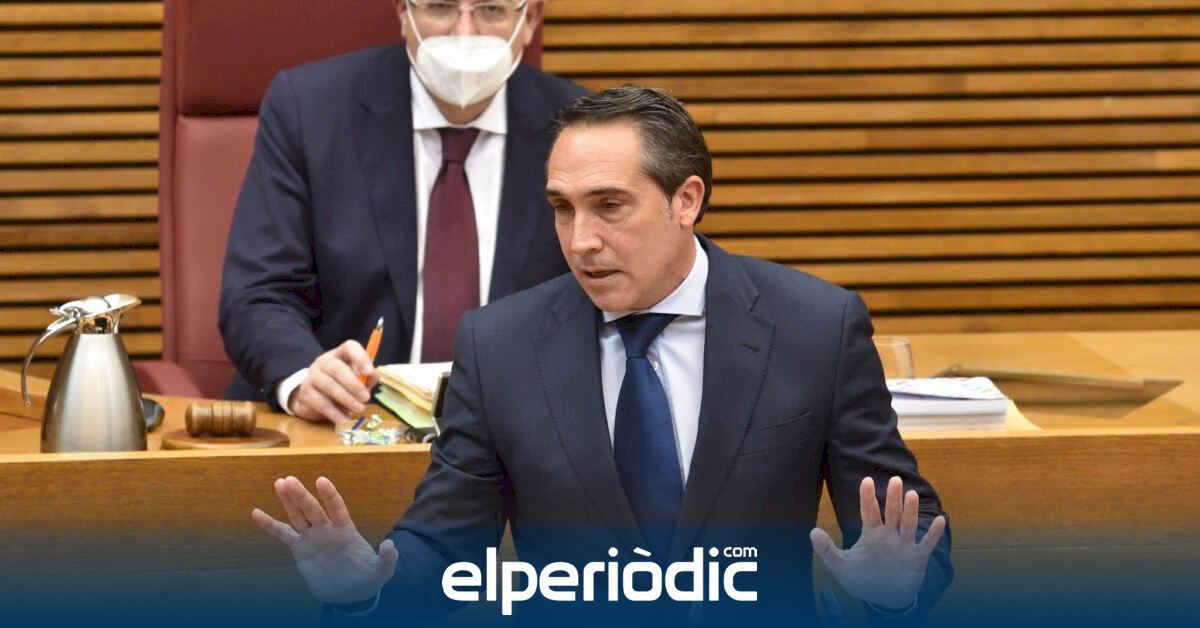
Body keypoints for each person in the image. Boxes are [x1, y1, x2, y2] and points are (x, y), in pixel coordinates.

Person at [252, 86, 953, 624]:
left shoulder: (815, 328)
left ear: (687, 199)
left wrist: (896, 592)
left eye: (609, 205)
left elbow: (912, 529)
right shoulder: (499, 346)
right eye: (563, 208)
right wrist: (366, 591)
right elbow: (443, 548)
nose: (580, 240)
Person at [219, 0, 587, 424]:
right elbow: (259, 293)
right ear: (402, 11)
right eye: (440, 7)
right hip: (344, 425)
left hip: (515, 433)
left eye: (490, 9)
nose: (464, 33)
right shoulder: (309, 109)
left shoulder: (580, 131)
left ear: (529, 19)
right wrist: (305, 377)